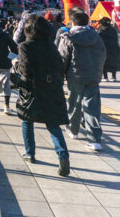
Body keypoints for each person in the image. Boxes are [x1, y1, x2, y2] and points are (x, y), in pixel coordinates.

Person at [13, 15, 70, 176]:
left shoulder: (25, 46)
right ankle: (63, 156)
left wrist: (16, 64)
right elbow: (60, 65)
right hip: (52, 88)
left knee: (27, 120)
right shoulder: (51, 45)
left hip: (33, 90)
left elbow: (26, 71)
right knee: (53, 124)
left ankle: (30, 153)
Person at [58, 10, 106, 151]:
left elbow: (62, 58)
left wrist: (61, 75)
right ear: (87, 22)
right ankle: (95, 139)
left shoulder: (68, 37)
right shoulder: (96, 36)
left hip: (75, 76)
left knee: (74, 104)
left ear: (73, 22)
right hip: (93, 76)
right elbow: (103, 55)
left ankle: (73, 130)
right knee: (92, 108)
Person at [96, 17, 119, 82]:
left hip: (104, 49)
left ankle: (105, 76)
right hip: (114, 49)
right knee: (113, 63)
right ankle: (113, 76)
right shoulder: (113, 30)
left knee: (104, 63)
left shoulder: (100, 30)